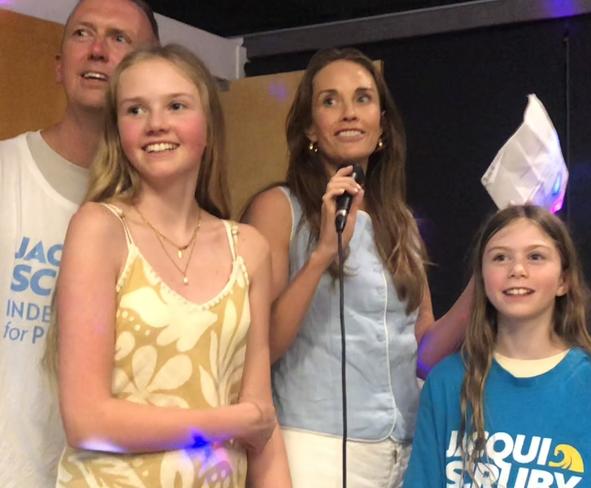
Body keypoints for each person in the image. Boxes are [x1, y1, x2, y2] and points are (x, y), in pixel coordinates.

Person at [51, 44, 290, 487]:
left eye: (176, 105)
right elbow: (86, 420)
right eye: (135, 109)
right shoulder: (99, 229)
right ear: (117, 130)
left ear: (209, 127)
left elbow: (261, 422)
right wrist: (228, 423)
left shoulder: (249, 249)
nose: (156, 123)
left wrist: (246, 424)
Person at [243, 47, 472, 487]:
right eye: (330, 101)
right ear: (310, 126)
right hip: (314, 449)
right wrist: (322, 255)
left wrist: (484, 278)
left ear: (382, 123)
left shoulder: (402, 222)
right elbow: (260, 346)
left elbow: (423, 353)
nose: (349, 113)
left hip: (404, 450)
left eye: (363, 99)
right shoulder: (278, 209)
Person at [0, 1, 158, 485]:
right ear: (58, 66)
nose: (96, 50)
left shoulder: (168, 209)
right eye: (82, 35)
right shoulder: (6, 172)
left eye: (118, 39)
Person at [404, 205, 591, 487]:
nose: (517, 269)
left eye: (535, 256)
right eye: (500, 257)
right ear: (482, 280)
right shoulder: (447, 383)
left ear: (564, 280)